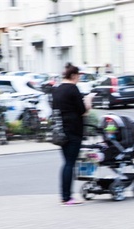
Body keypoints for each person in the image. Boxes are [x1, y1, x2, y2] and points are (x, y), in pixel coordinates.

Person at [51, 63, 95, 205]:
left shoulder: (57, 90)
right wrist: (88, 101)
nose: (78, 80)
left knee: (67, 163)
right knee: (70, 164)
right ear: (74, 76)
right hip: (73, 131)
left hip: (61, 132)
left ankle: (64, 195)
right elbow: (83, 111)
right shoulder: (72, 89)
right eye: (78, 78)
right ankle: (67, 197)